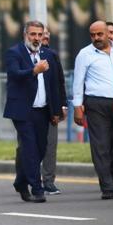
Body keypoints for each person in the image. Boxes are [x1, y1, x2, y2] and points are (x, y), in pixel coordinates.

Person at [3, 21, 65, 203]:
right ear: (25, 35)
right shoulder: (14, 53)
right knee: (29, 147)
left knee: (40, 148)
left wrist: (57, 110)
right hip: (22, 110)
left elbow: (54, 84)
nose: (37, 38)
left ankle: (20, 181)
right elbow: (14, 74)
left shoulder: (48, 55)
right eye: (33, 34)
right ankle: (37, 189)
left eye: (40, 34)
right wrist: (34, 71)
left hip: (43, 110)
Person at [72, 20, 113, 199]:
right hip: (96, 103)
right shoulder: (85, 54)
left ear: (108, 33)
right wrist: (77, 107)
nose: (96, 38)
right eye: (93, 35)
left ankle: (109, 176)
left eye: (99, 34)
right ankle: (107, 186)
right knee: (101, 145)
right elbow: (78, 82)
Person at [38, 29, 68, 195]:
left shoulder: (51, 55)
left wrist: (62, 106)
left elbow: (59, 81)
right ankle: (28, 177)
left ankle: (48, 181)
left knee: (50, 145)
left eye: (47, 33)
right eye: (41, 33)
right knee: (28, 147)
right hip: (29, 111)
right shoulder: (19, 53)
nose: (45, 36)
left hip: (50, 109)